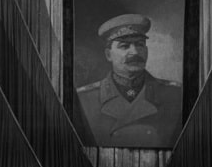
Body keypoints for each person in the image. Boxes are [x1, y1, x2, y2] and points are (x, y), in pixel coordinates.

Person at [76, 14, 183, 147]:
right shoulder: (83, 98)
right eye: (124, 46)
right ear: (108, 55)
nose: (135, 52)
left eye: (140, 44)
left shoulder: (176, 94)